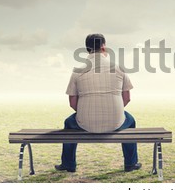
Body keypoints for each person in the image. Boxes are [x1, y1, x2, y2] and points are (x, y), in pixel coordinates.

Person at [55, 33, 141, 172]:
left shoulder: (77, 71)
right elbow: (127, 98)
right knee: (130, 121)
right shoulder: (118, 68)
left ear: (87, 49)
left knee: (68, 123)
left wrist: (85, 113)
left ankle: (68, 165)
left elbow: (72, 102)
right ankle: (130, 164)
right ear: (103, 47)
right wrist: (115, 111)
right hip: (116, 122)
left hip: (84, 123)